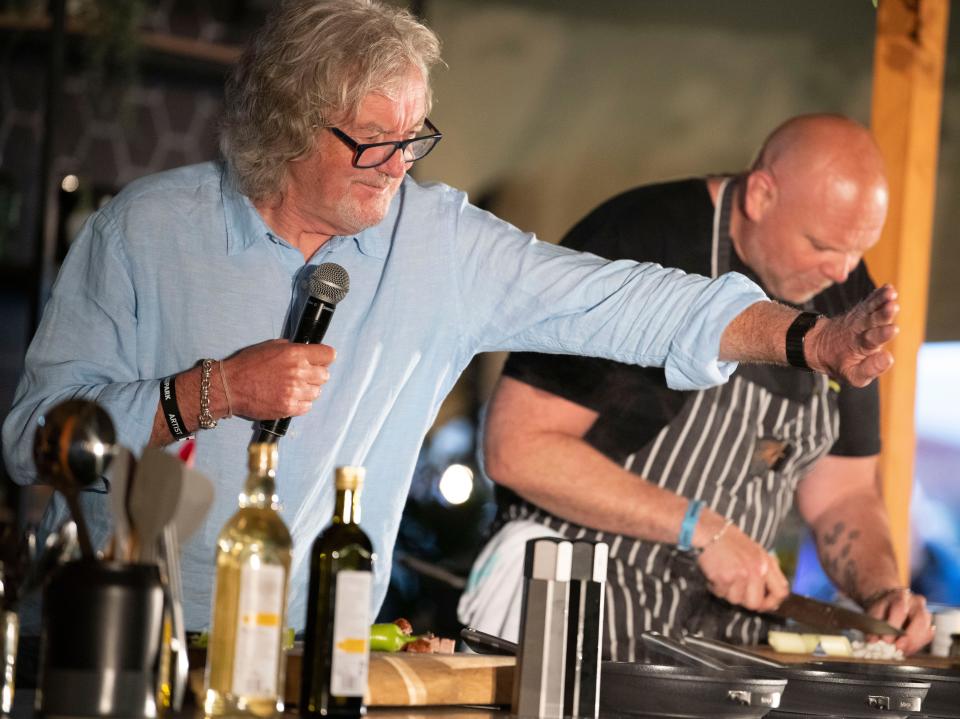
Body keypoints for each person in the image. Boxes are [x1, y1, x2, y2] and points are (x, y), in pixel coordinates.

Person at [2, 3, 897, 633]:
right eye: (373, 140)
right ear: (285, 125)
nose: (399, 165)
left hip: (316, 649)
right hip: (112, 629)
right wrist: (214, 389)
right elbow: (32, 440)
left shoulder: (437, 243)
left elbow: (625, 301)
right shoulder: (144, 230)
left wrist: (805, 337)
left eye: (415, 136)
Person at [459, 114, 933, 658]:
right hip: (571, 621)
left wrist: (881, 591)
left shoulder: (845, 291)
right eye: (822, 245)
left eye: (857, 251)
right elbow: (518, 449)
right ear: (760, 195)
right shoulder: (637, 239)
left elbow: (844, 493)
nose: (841, 270)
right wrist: (699, 529)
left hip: (716, 652)